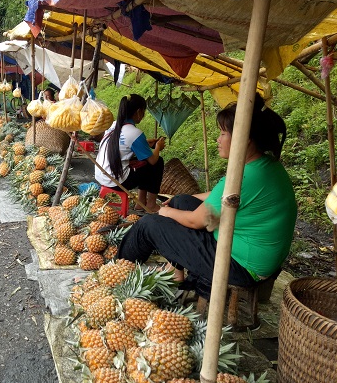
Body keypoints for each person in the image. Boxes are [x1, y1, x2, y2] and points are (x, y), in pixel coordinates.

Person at [117, 93, 298, 299]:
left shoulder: (243, 176)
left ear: (244, 139)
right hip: (247, 252)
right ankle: (176, 273)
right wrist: (179, 204)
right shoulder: (264, 166)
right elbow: (220, 196)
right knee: (181, 201)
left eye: (223, 133)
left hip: (240, 266)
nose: (218, 139)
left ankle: (117, 276)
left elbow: (196, 221)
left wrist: (165, 212)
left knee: (149, 224)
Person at [95, 94, 166, 214]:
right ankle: (151, 204)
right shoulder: (135, 133)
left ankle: (140, 203)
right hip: (117, 182)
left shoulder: (113, 126)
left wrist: (145, 144)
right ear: (138, 112)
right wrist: (158, 147)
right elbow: (153, 160)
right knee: (157, 162)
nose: (142, 116)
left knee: (142, 161)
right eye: (143, 112)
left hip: (101, 176)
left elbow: (122, 145)